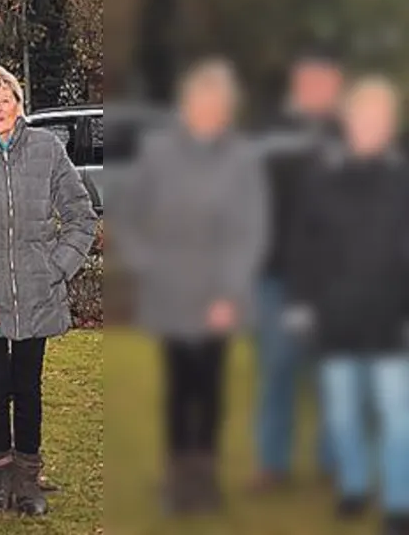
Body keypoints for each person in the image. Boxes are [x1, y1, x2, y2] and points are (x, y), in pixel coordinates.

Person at [0, 62, 97, 517]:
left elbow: (81, 215)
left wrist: (57, 268)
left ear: (19, 105)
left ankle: (27, 477)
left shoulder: (47, 149)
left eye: (4, 100)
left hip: (37, 289)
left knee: (27, 384)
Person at [125, 59, 268, 513]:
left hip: (219, 296)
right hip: (170, 293)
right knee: (178, 385)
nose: (207, 110)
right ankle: (177, 478)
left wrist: (229, 293)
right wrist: (148, 264)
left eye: (216, 102)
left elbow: (252, 229)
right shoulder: (158, 153)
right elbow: (129, 219)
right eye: (199, 101)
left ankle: (205, 478)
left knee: (210, 386)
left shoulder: (242, 159)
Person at [287, 76, 409, 533]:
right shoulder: (324, 180)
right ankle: (355, 488)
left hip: (392, 320)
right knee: (342, 414)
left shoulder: (403, 180)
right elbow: (303, 245)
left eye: (378, 118)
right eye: (361, 117)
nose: (368, 126)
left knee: (397, 416)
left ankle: (399, 501)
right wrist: (301, 302)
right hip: (335, 317)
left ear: (389, 125)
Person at [252, 49, 343, 491]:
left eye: (325, 81)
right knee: (278, 371)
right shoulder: (273, 138)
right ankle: (273, 466)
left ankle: (332, 463)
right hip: (276, 278)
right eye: (309, 81)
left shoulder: (350, 137)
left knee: (331, 377)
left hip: (335, 281)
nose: (317, 89)